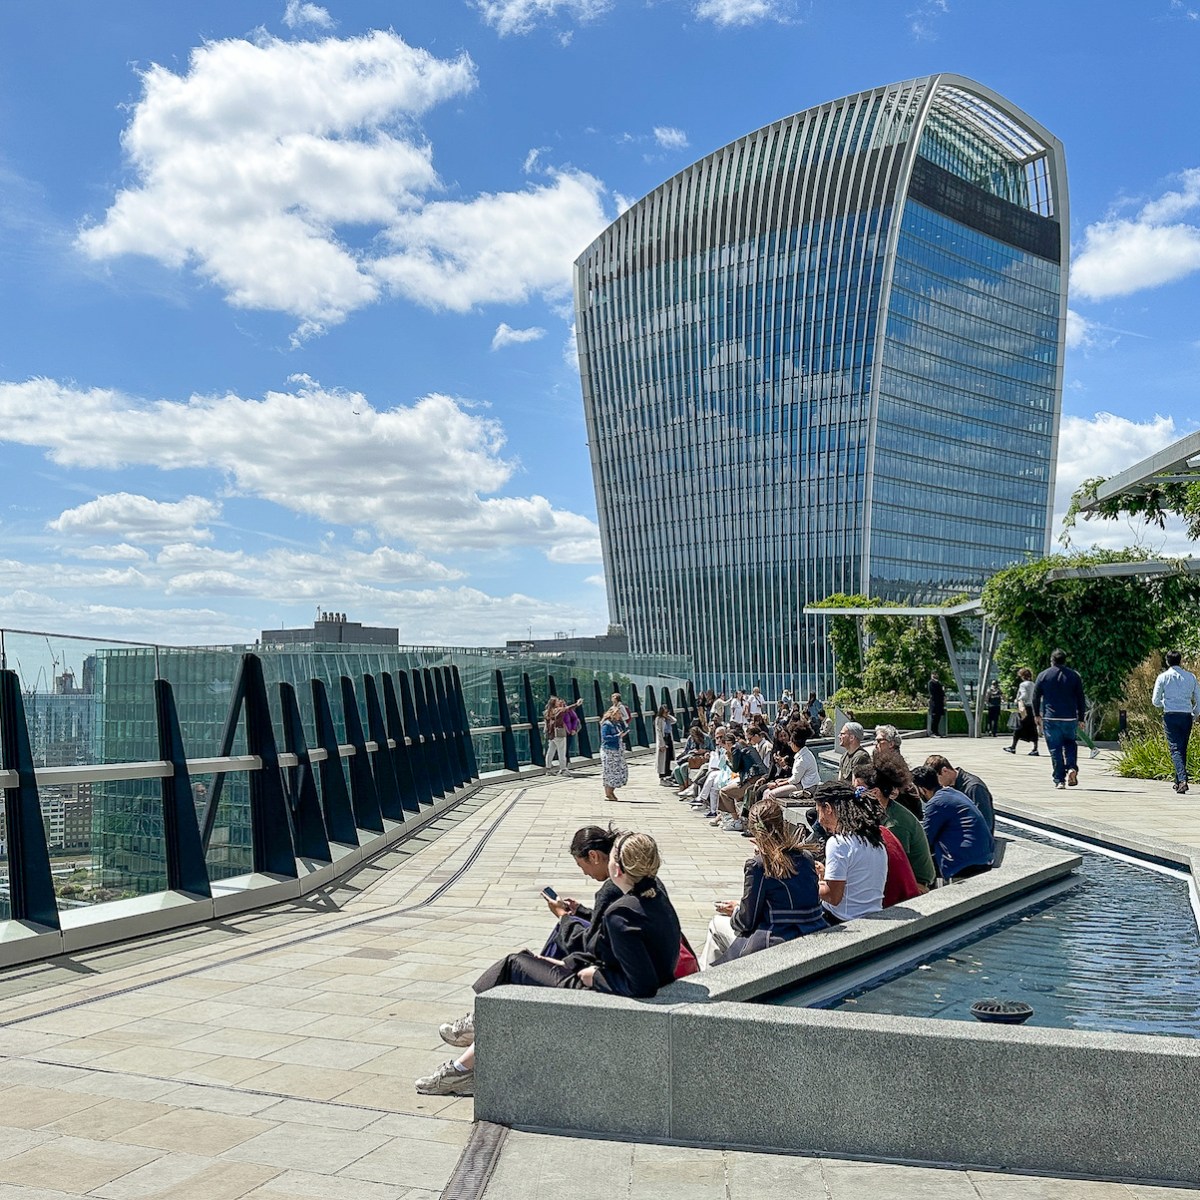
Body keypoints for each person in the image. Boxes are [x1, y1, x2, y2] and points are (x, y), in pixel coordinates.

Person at [416, 832, 681, 1096]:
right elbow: (614, 948)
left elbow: (642, 985)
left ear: (618, 869)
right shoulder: (653, 892)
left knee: (515, 965)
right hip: (625, 981)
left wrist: (593, 975)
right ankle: (464, 1062)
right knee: (528, 965)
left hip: (609, 995)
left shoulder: (619, 914)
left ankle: (469, 1049)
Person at [699, 798, 827, 967]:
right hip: (814, 932)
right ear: (782, 824)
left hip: (776, 941)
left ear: (754, 831)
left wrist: (736, 911)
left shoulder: (758, 865)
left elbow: (746, 921)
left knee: (716, 925)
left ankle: (710, 984)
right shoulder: (806, 857)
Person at [541, 823, 624, 958]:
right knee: (569, 922)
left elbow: (591, 945)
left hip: (616, 970)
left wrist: (562, 915)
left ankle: (542, 967)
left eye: (581, 865)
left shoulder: (611, 890)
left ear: (593, 856)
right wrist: (580, 911)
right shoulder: (639, 879)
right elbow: (607, 922)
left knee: (563, 928)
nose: (585, 873)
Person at [853, 761, 935, 891]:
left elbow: (893, 866)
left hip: (914, 884)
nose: (853, 796)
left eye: (858, 790)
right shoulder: (882, 812)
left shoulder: (895, 825)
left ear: (875, 793)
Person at [812, 781, 887, 923]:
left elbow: (833, 897)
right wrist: (825, 875)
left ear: (827, 808)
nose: (819, 820)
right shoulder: (875, 841)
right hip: (872, 917)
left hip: (841, 919)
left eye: (818, 812)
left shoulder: (838, 843)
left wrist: (808, 883)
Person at [911, 764, 993, 882]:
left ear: (922, 790)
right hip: (984, 857)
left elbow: (925, 841)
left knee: (914, 868)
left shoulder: (936, 803)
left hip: (964, 863)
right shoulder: (953, 793)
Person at [1032, 649, 1087, 789]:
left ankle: (1059, 779)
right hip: (1069, 717)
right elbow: (1081, 698)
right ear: (1065, 660)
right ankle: (1071, 768)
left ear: (1052, 660)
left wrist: (1036, 715)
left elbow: (1035, 696)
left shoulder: (1043, 675)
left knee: (1055, 749)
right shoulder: (1074, 676)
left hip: (1051, 718)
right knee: (1070, 744)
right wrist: (1081, 718)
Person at [1152, 650, 1200, 795]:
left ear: (1167, 661)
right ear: (1181, 661)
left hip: (1171, 715)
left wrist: (1165, 703)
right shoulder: (1190, 677)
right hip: (1186, 715)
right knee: (1182, 748)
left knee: (1175, 748)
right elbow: (1199, 698)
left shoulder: (1163, 677)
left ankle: (1183, 780)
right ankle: (1178, 781)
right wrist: (1195, 712)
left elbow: (1155, 700)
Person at [924, 754, 995, 832]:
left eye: (937, 779)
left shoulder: (974, 787)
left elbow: (985, 823)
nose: (937, 784)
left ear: (944, 771)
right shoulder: (949, 787)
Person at [763, 724, 820, 803]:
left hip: (806, 787)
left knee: (771, 794)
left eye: (791, 742)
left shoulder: (802, 759)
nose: (789, 744)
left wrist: (779, 784)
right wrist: (782, 780)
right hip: (802, 783)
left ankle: (770, 813)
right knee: (766, 792)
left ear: (794, 744)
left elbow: (795, 780)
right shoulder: (806, 753)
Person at [1004, 667, 1039, 756]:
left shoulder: (1023, 685)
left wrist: (1018, 699)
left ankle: (1013, 747)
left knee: (1018, 727)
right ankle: (1035, 749)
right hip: (1032, 709)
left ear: (1023, 676)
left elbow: (1024, 694)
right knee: (1033, 728)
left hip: (1025, 708)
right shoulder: (1033, 684)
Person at [599, 704, 630, 802]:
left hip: (617, 750)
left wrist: (622, 734)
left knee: (619, 770)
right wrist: (617, 736)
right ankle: (608, 793)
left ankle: (611, 791)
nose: (620, 716)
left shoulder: (617, 724)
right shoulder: (607, 724)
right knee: (610, 771)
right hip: (609, 750)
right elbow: (605, 737)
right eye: (618, 714)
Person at [543, 696, 571, 776]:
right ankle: (563, 769)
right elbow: (567, 709)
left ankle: (548, 769)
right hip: (559, 734)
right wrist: (577, 703)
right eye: (557, 701)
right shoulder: (558, 711)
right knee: (561, 752)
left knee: (550, 752)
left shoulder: (547, 712)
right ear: (554, 703)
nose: (559, 701)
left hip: (551, 734)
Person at [654, 704, 677, 784]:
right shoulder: (659, 719)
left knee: (669, 757)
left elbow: (674, 720)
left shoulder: (667, 719)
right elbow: (659, 731)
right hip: (663, 739)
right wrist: (661, 744)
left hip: (669, 738)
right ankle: (662, 777)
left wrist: (668, 716)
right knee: (663, 759)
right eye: (665, 712)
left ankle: (668, 775)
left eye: (667, 712)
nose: (666, 714)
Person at [928, 672, 946, 737]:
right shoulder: (931, 683)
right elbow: (933, 693)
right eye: (934, 674)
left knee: (938, 718)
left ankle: (937, 732)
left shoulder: (939, 683)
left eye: (936, 674)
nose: (935, 675)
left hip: (939, 704)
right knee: (934, 718)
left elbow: (942, 693)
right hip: (934, 703)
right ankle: (932, 732)